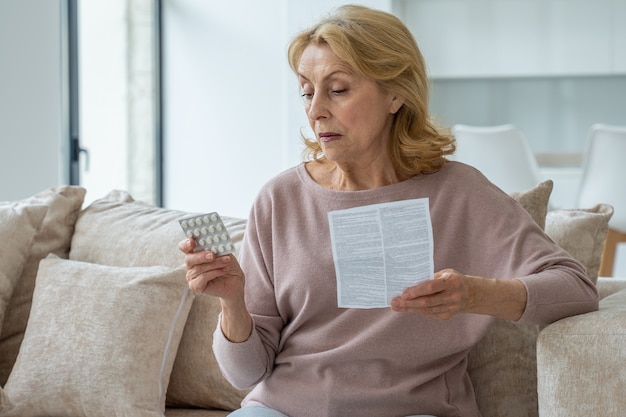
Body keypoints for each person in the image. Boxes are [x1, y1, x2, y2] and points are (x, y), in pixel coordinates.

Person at [179, 5, 598, 417]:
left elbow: (576, 289)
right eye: (307, 91)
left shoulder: (458, 192)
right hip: (283, 409)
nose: (315, 109)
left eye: (338, 89)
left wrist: (475, 294)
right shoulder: (280, 199)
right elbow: (246, 373)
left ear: (396, 93)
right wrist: (233, 302)